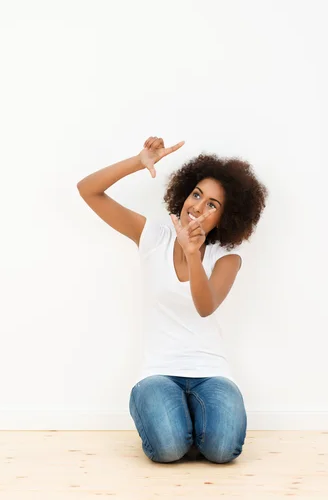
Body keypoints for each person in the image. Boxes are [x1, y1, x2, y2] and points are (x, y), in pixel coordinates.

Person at [77, 137, 268, 464]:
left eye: (212, 205)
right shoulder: (153, 237)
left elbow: (204, 306)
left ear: (224, 219)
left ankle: (188, 422)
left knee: (224, 451)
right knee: (167, 450)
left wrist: (194, 255)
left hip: (211, 372)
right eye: (197, 195)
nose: (197, 206)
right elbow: (88, 190)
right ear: (184, 194)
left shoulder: (227, 259)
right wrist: (139, 162)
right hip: (159, 373)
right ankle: (177, 424)